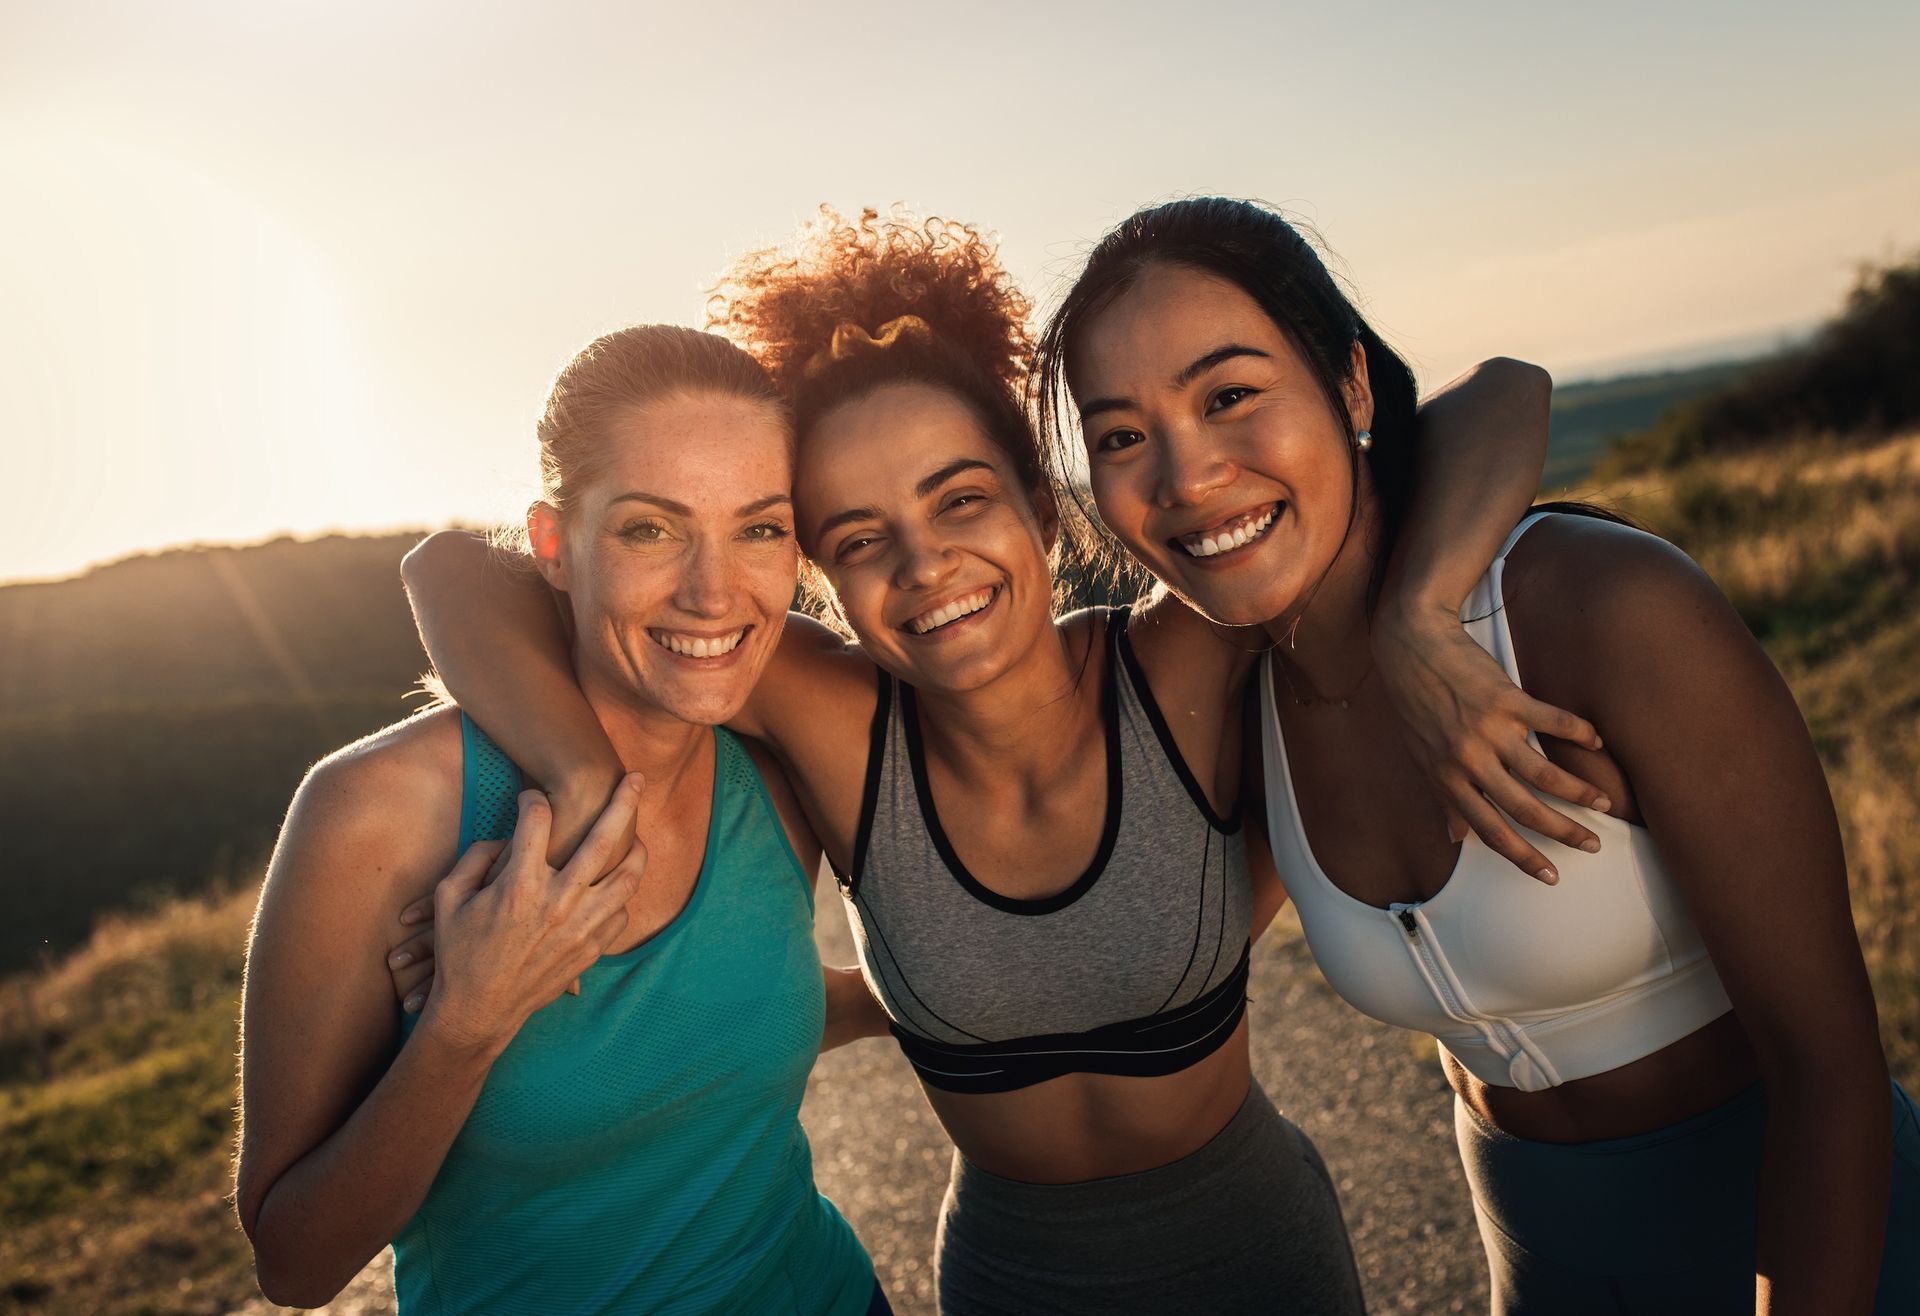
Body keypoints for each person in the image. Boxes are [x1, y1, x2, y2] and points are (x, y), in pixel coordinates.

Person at [398, 209, 1602, 1312]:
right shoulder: (831, 716)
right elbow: (451, 569)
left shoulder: (1184, 659)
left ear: (1039, 499)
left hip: (1257, 1253)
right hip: (1012, 1279)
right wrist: (586, 781)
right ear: (816, 570)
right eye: (861, 537)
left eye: (962, 502)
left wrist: (1420, 613)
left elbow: (1499, 394)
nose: (924, 566)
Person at [1039, 195, 1920, 1313]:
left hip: (1816, 1243)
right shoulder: (1236, 697)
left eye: (1231, 395)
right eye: (1121, 435)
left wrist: (1417, 615)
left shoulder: (1595, 607)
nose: (1187, 474)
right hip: (1541, 1253)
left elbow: (1830, 1068)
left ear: (1350, 385)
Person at [234, 325, 881, 1314]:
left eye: (759, 527)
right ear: (552, 546)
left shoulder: (776, 765)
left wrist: (923, 996)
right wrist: (465, 1023)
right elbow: (295, 1259)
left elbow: (715, 1017)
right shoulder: (379, 814)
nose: (714, 591)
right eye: (649, 528)